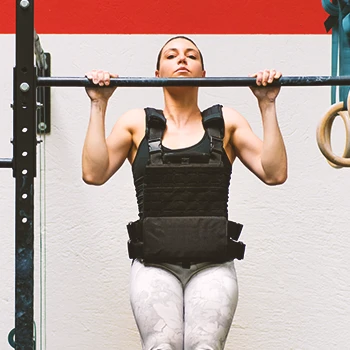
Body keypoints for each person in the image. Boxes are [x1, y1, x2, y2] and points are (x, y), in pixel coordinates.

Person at [82, 36, 287, 350]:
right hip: (154, 264)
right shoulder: (137, 123)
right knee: (161, 346)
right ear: (157, 72)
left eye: (191, 56)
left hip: (212, 264)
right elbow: (93, 173)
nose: (182, 60)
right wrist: (99, 103)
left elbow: (274, 173)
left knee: (204, 347)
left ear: (202, 74)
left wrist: (267, 104)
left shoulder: (225, 122)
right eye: (172, 55)